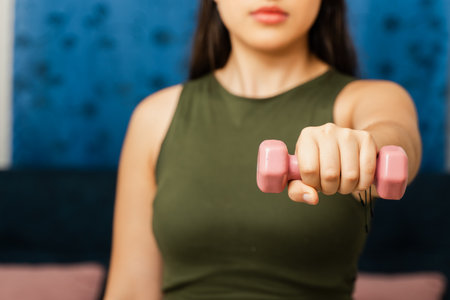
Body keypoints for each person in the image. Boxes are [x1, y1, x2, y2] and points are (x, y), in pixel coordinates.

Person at [103, 0, 422, 299]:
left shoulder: (369, 99)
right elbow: (129, 290)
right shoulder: (154, 116)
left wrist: (363, 147)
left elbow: (395, 138)